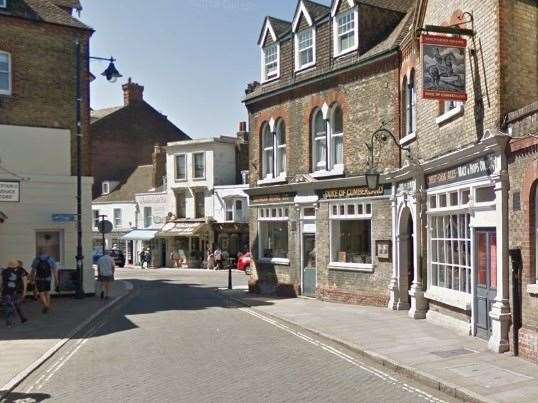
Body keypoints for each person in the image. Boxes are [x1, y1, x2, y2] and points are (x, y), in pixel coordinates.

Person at [31, 250, 58, 314]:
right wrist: (56, 279)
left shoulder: (36, 259)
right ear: (46, 253)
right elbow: (54, 270)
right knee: (47, 292)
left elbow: (33, 270)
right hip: (48, 278)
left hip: (39, 278)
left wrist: (32, 278)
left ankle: (45, 305)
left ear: (39, 253)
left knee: (41, 292)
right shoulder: (50, 259)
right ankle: (48, 305)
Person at [2, 259, 28, 326]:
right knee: (17, 305)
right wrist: (24, 291)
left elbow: (1, 282)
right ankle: (22, 318)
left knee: (9, 307)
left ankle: (9, 322)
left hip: (6, 292)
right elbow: (25, 281)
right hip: (17, 291)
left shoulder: (4, 271)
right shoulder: (21, 270)